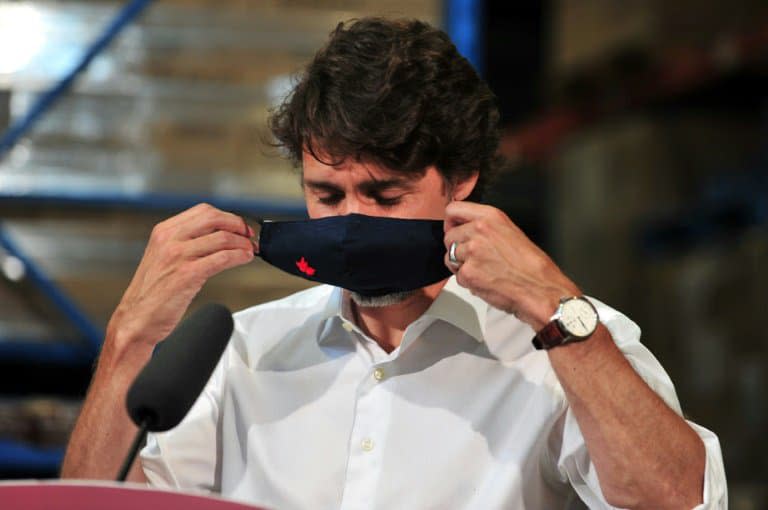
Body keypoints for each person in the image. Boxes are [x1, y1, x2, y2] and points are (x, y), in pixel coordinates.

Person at [61, 18, 726, 509]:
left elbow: (674, 499)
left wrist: (558, 312)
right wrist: (130, 338)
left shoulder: (558, 345)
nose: (351, 221)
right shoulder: (241, 353)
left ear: (461, 179)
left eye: (384, 195)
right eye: (326, 195)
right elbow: (92, 506)